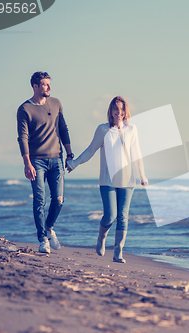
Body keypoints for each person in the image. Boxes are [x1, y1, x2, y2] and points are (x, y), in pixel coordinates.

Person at [67, 96, 148, 263]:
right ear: (111, 111)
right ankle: (101, 238)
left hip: (128, 180)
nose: (119, 112)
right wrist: (74, 164)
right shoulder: (103, 130)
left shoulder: (132, 129)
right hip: (107, 180)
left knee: (123, 216)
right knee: (110, 215)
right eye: (116, 109)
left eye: (122, 109)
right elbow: (90, 151)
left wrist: (142, 175)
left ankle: (118, 252)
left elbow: (137, 154)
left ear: (126, 111)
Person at [17, 71, 74, 253]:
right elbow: (23, 137)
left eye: (49, 84)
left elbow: (63, 128)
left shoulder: (56, 103)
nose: (49, 87)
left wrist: (69, 153)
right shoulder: (25, 109)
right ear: (35, 86)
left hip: (57, 159)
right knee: (39, 201)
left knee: (58, 200)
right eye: (44, 84)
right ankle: (43, 240)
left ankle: (49, 228)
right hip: (37, 161)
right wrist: (27, 163)